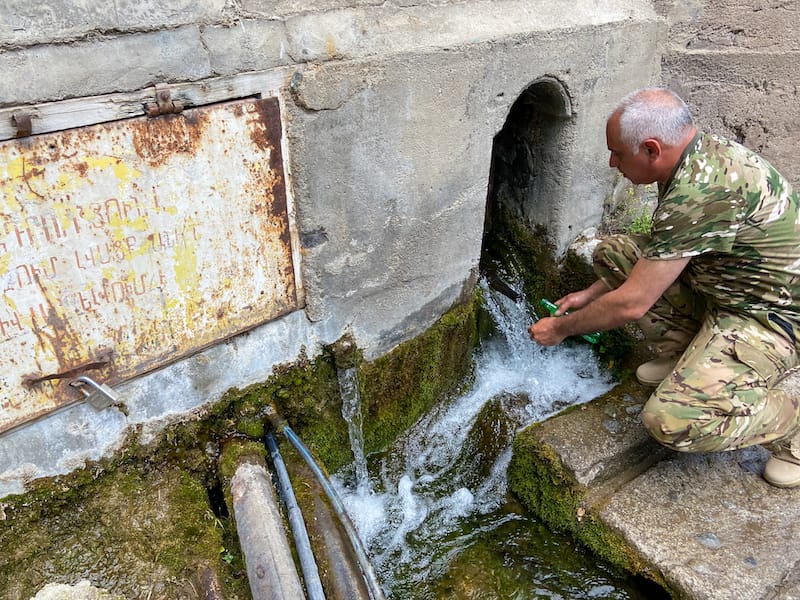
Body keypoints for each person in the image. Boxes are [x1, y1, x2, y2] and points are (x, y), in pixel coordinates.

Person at [528, 87, 800, 488]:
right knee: (615, 253)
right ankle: (686, 354)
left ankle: (789, 428)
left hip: (770, 319)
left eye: (618, 153)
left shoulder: (700, 194)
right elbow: (657, 256)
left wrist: (560, 328)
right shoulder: (694, 157)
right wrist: (590, 294)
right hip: (726, 288)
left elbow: (633, 304)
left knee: (670, 420)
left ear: (652, 149)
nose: (611, 162)